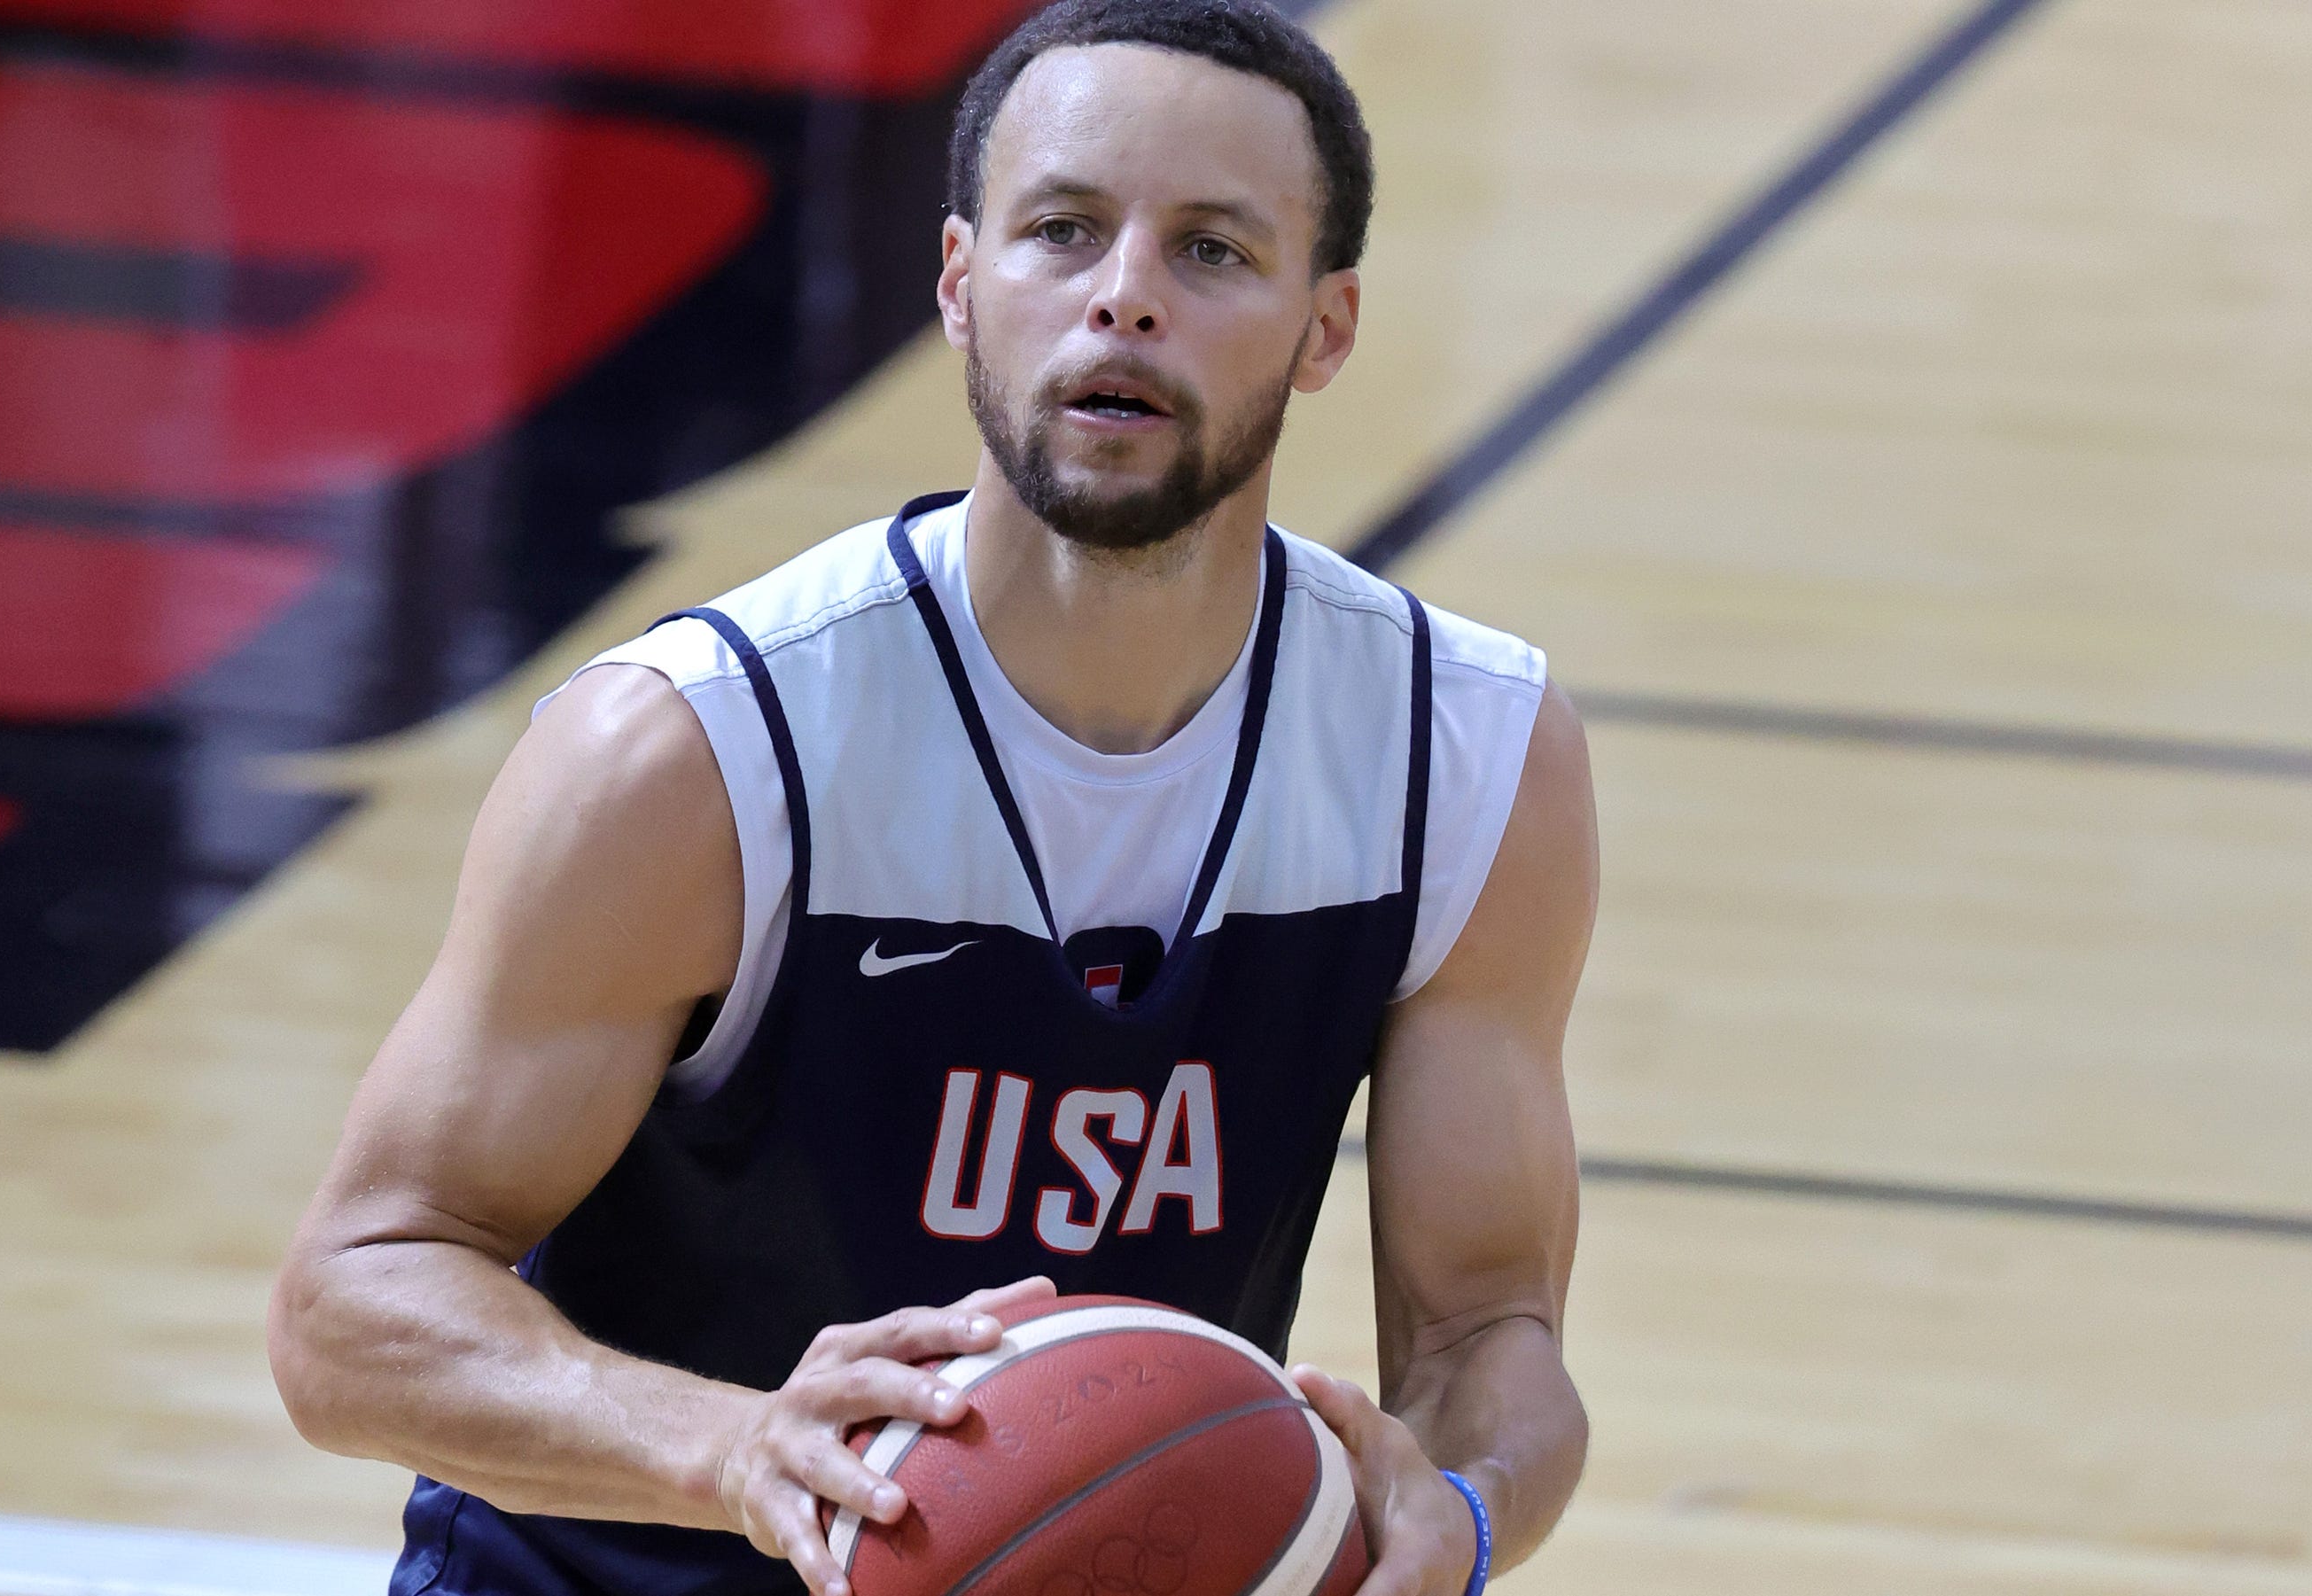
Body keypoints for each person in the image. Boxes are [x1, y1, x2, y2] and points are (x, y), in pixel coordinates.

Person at [269, 4, 1597, 1592]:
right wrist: (739, 1448)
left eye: (1215, 253)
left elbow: (1485, 1323)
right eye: (1064, 231)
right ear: (961, 284)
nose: (1123, 298)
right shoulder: (698, 750)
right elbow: (353, 1305)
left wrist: (1464, 1497)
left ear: (1328, 327)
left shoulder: (1459, 753)